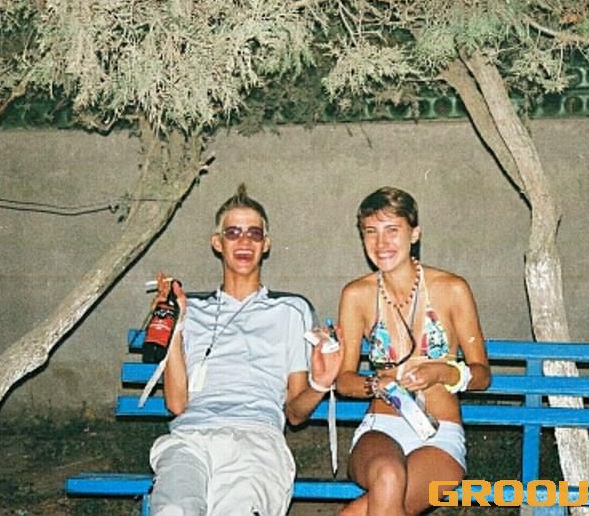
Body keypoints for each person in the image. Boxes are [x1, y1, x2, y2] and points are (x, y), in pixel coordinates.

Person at [148, 184, 343, 516]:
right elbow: (177, 404)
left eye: (254, 233)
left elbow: (295, 414)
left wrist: (320, 384)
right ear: (217, 242)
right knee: (174, 510)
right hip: (190, 439)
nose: (244, 242)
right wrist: (175, 326)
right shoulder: (191, 309)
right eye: (233, 233)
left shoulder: (291, 310)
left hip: (256, 440)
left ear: (265, 244)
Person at [335, 186, 491, 515]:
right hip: (380, 428)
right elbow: (344, 380)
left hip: (440, 434)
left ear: (414, 233)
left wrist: (444, 372)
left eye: (392, 230)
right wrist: (375, 384)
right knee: (388, 476)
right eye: (371, 232)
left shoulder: (452, 289)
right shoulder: (356, 295)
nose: (381, 243)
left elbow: (482, 375)